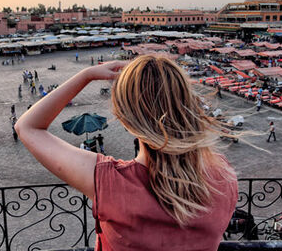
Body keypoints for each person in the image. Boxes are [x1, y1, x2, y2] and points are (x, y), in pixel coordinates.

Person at [14, 56, 238, 249]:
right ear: (187, 105)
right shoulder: (223, 176)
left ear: (124, 119)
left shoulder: (111, 183)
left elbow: (27, 127)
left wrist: (86, 75)